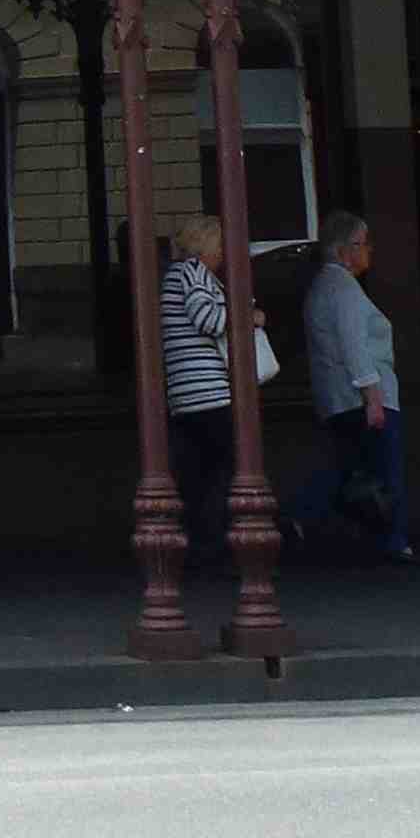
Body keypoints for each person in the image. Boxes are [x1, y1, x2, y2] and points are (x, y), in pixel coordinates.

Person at [295, 209, 418, 564]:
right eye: (363, 244)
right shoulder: (344, 289)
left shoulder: (323, 287)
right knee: (383, 469)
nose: (369, 250)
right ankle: (393, 541)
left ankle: (312, 520)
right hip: (360, 395)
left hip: (336, 396)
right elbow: (354, 345)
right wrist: (372, 395)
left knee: (350, 470)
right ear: (344, 250)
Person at [159, 213, 239, 572]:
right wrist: (247, 317)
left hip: (186, 396)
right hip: (209, 393)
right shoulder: (192, 272)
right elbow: (209, 320)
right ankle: (222, 545)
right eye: (220, 245)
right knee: (231, 471)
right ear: (206, 246)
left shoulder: (175, 275)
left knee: (199, 476)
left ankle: (197, 546)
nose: (223, 253)